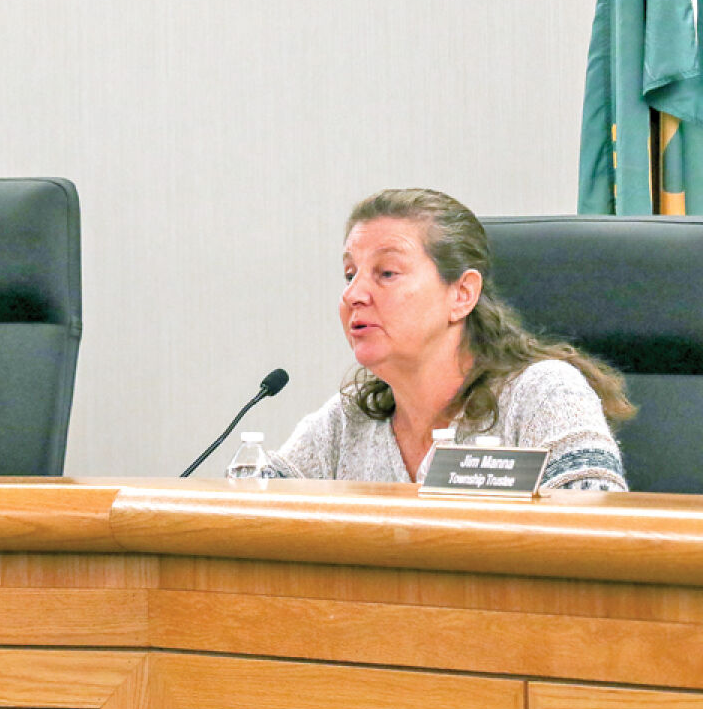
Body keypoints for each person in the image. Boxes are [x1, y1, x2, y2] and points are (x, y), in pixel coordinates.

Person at [269, 188, 632, 491]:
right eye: (350, 274)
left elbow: (598, 522)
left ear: (461, 294)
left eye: (387, 272)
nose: (353, 295)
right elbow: (248, 514)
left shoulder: (541, 394)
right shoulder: (347, 421)